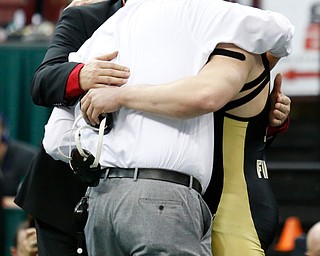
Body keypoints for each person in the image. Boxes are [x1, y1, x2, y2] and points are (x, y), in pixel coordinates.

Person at [15, 0, 291, 255]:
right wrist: (81, 76)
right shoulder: (92, 15)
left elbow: (214, 101)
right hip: (79, 194)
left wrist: (264, 108)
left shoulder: (204, 20)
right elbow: (42, 82)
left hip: (150, 194)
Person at [14, 1, 130, 255]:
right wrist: (81, 76)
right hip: (64, 192)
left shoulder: (185, 19)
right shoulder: (85, 15)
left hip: (134, 198)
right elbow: (42, 82)